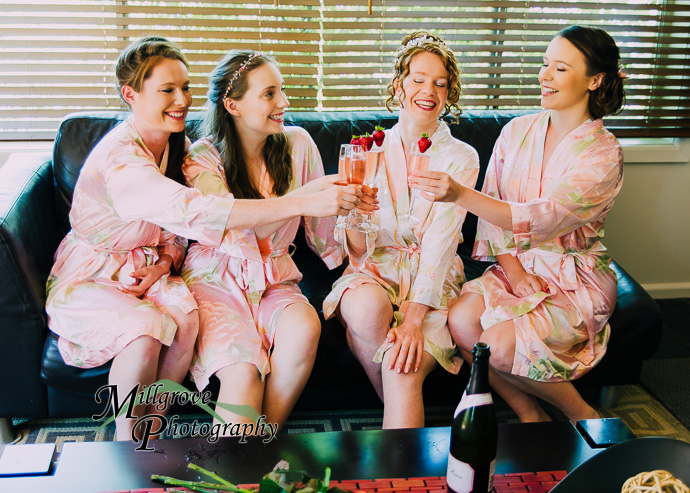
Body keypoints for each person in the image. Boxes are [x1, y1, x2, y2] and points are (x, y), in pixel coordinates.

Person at [45, 37, 361, 441]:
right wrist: (303, 199)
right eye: (167, 90)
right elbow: (203, 216)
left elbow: (174, 230)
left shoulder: (177, 143)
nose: (182, 100)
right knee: (149, 331)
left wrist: (357, 255)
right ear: (130, 94)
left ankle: (250, 443)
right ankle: (130, 446)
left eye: (185, 87)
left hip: (177, 269)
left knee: (189, 320)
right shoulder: (132, 161)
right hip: (112, 271)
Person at [410, 25, 626, 423]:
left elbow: (543, 218)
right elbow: (495, 215)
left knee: (498, 344)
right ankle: (531, 416)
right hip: (514, 266)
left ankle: (584, 415)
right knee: (460, 322)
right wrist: (512, 268)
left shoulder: (602, 155)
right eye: (545, 65)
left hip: (570, 278)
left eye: (559, 69)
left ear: (595, 80)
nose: (544, 76)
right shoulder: (516, 131)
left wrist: (459, 194)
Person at [180, 50, 372, 433]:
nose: (283, 102)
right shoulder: (201, 158)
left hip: (274, 277)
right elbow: (232, 231)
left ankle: (263, 441)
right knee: (244, 373)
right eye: (269, 94)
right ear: (233, 105)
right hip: (217, 277)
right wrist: (308, 196)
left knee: (305, 327)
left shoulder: (298, 143)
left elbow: (324, 237)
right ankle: (242, 461)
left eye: (281, 90)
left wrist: (355, 218)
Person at [323, 31, 480, 428]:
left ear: (450, 93)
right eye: (418, 79)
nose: (429, 90)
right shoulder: (365, 152)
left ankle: (402, 464)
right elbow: (357, 252)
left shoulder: (462, 158)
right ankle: (397, 419)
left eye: (440, 83)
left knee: (401, 367)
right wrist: (355, 214)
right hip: (375, 271)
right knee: (364, 307)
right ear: (399, 85)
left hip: (432, 277)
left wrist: (412, 321)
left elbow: (442, 245)